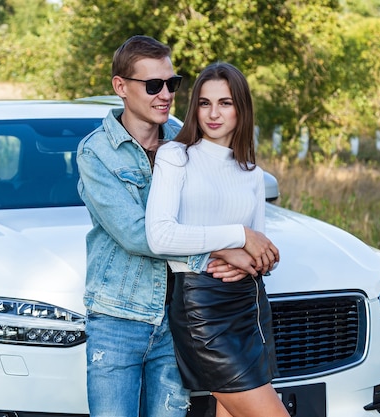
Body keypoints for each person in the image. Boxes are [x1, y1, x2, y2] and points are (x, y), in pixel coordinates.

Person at [76, 36, 263, 417]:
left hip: (178, 321)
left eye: (171, 84)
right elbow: (138, 234)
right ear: (120, 87)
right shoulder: (95, 153)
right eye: (153, 85)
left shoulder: (186, 145)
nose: (165, 94)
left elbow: (228, 194)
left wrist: (253, 254)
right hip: (118, 320)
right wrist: (226, 248)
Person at [145, 62, 288, 417]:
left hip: (250, 305)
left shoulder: (251, 173)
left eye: (225, 103)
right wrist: (238, 237)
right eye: (205, 103)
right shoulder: (176, 156)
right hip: (203, 307)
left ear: (241, 108)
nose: (213, 113)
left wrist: (249, 263)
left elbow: (262, 252)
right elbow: (160, 235)